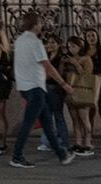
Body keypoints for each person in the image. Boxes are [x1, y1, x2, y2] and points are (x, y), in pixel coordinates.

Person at [9, 11, 75, 168]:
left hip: (25, 86)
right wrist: (63, 84)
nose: (41, 25)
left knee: (47, 122)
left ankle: (62, 154)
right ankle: (17, 156)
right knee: (28, 123)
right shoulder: (35, 43)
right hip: (36, 87)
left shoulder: (19, 41)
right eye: (40, 22)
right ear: (35, 24)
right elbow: (48, 66)